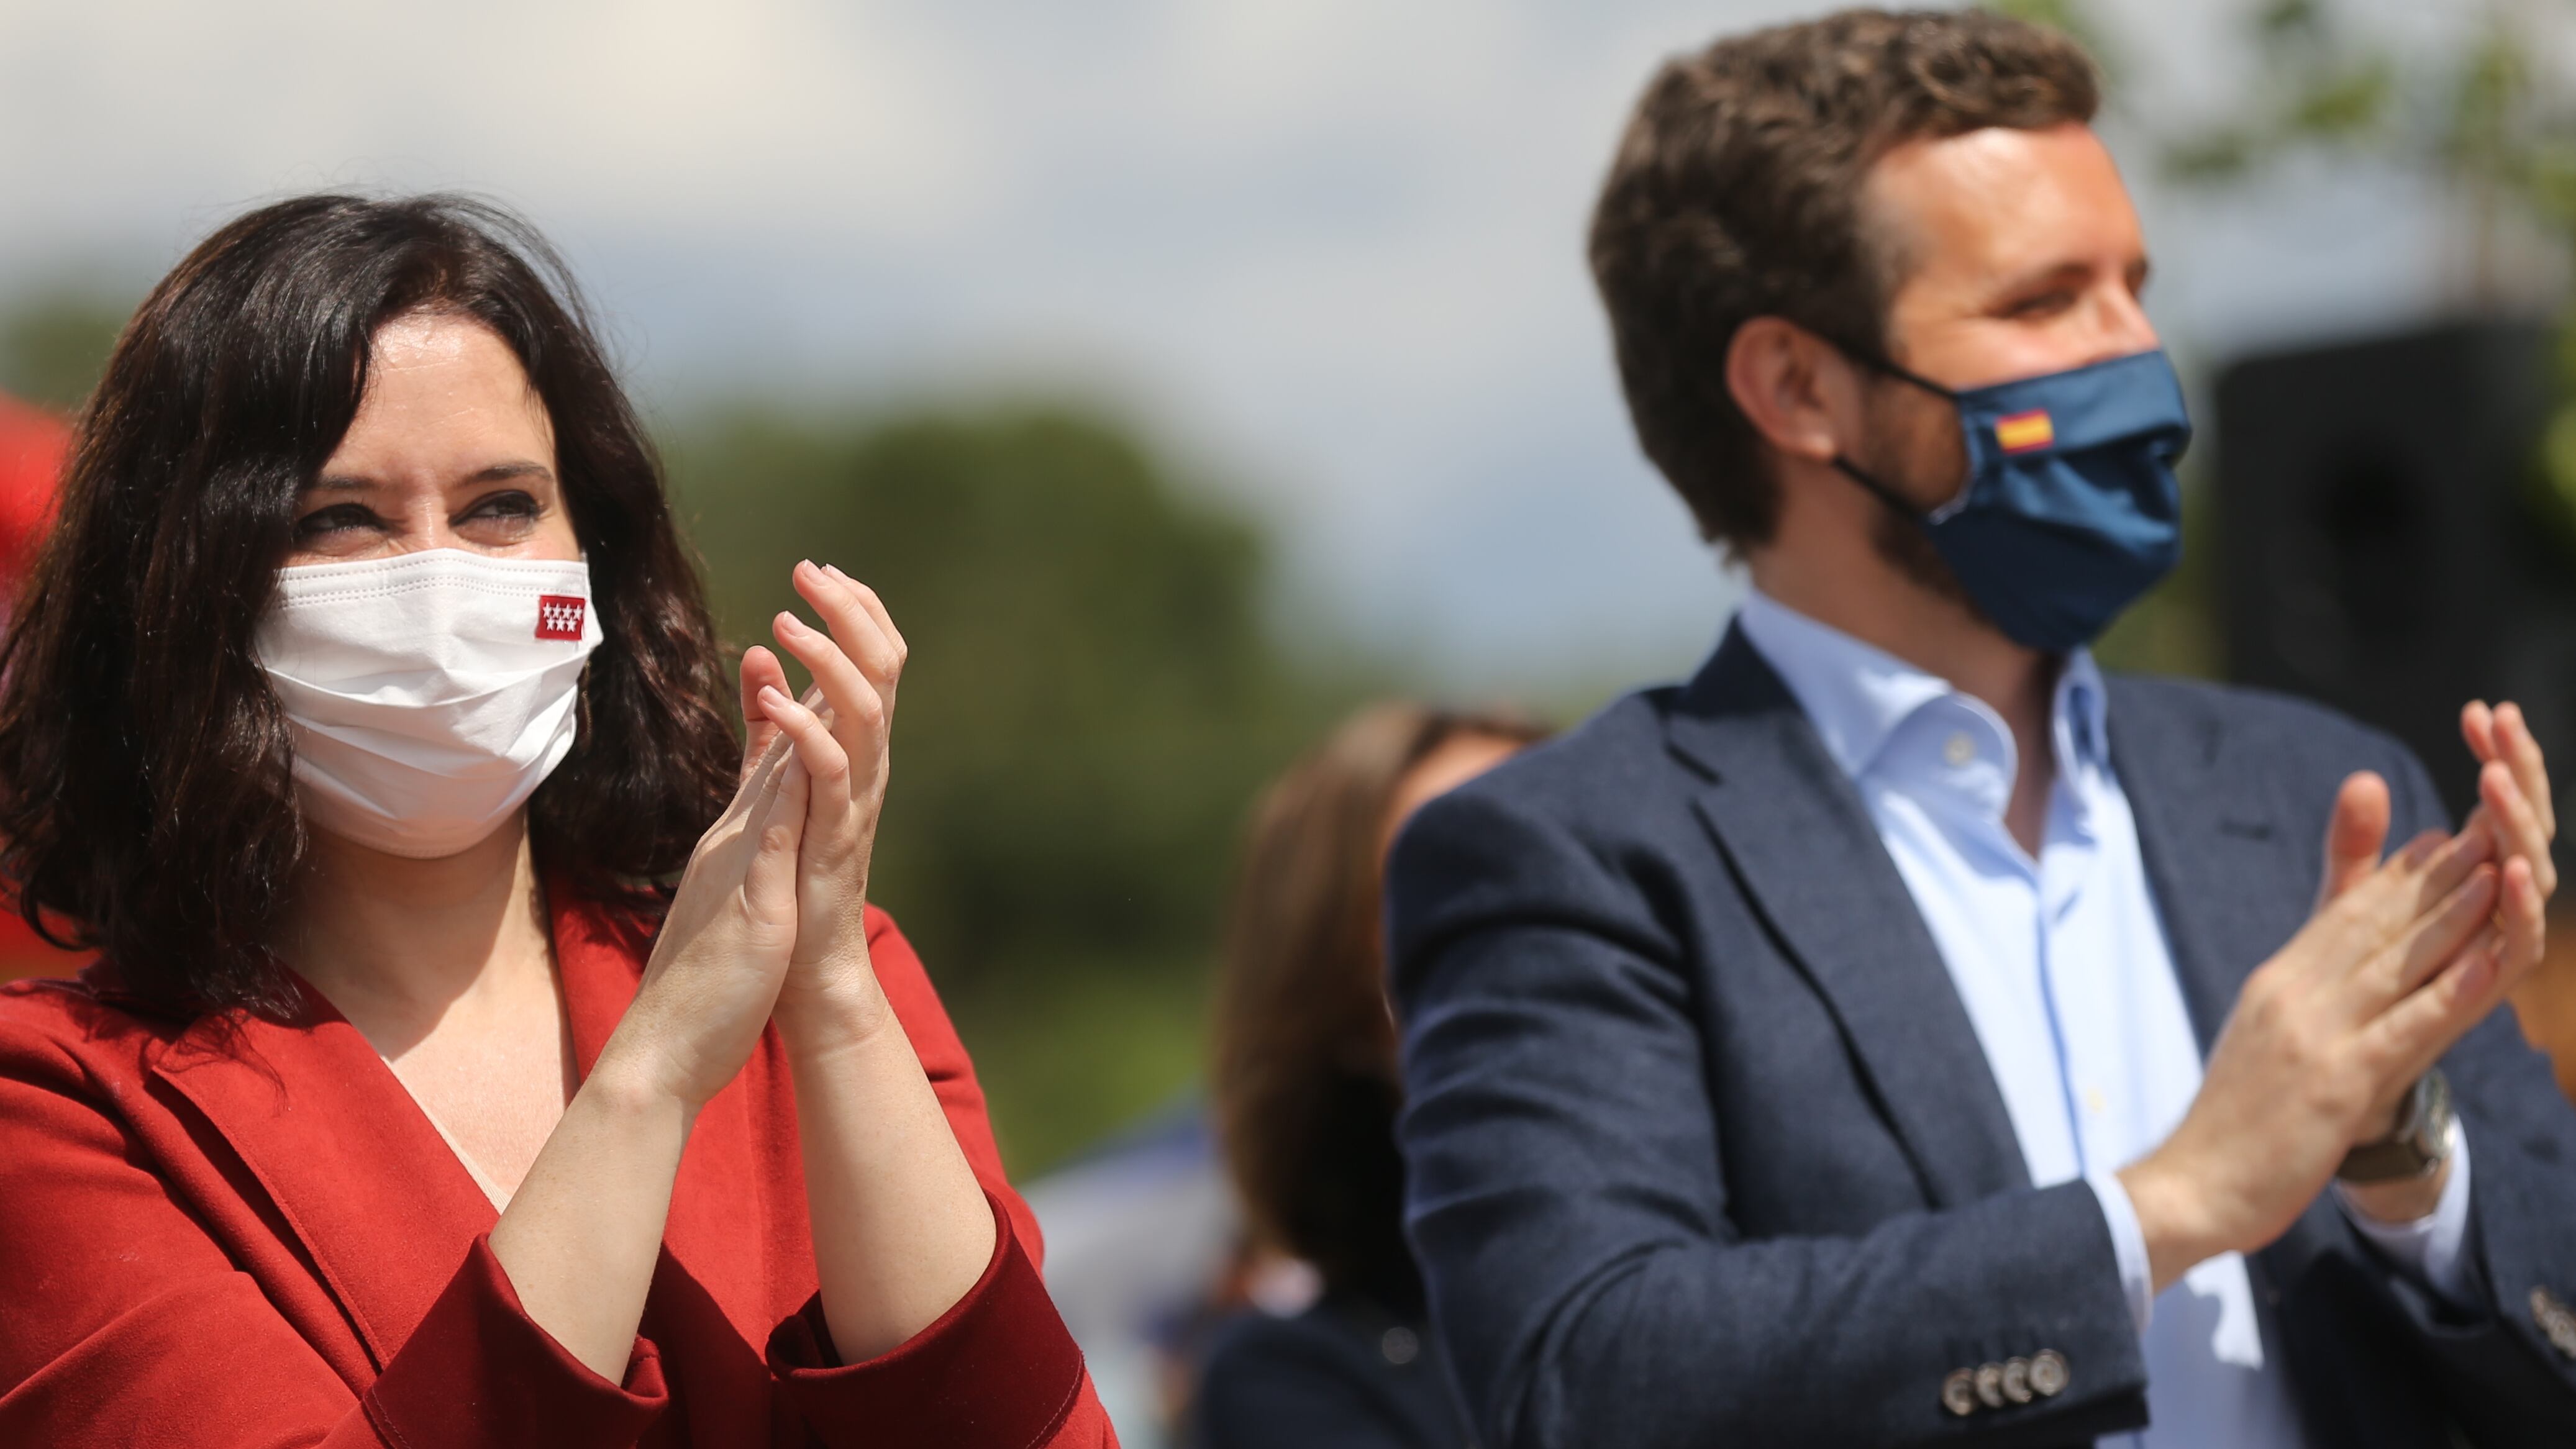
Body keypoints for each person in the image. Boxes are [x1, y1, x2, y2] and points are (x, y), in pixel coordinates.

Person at [1385, 11, 2576, 1449]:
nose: (2136, 351)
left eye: (2133, 285)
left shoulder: (2320, 792)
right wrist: (2165, 1206)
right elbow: (1582, 1379)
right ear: (1798, 388)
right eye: (2044, 301)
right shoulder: (1573, 859)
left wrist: (2401, 1149)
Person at [0, 194, 1113, 1447]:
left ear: (597, 553)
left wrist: (838, 994)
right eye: (339, 518)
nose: (440, 576)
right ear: (183, 588)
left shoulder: (830, 985)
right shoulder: (55, 1101)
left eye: (500, 506)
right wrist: (650, 1072)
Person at [1195, 704, 1542, 1449]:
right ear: (1351, 1011)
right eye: (1468, 899)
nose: (1553, 928)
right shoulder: (1301, 1383)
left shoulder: (1792, 1233)